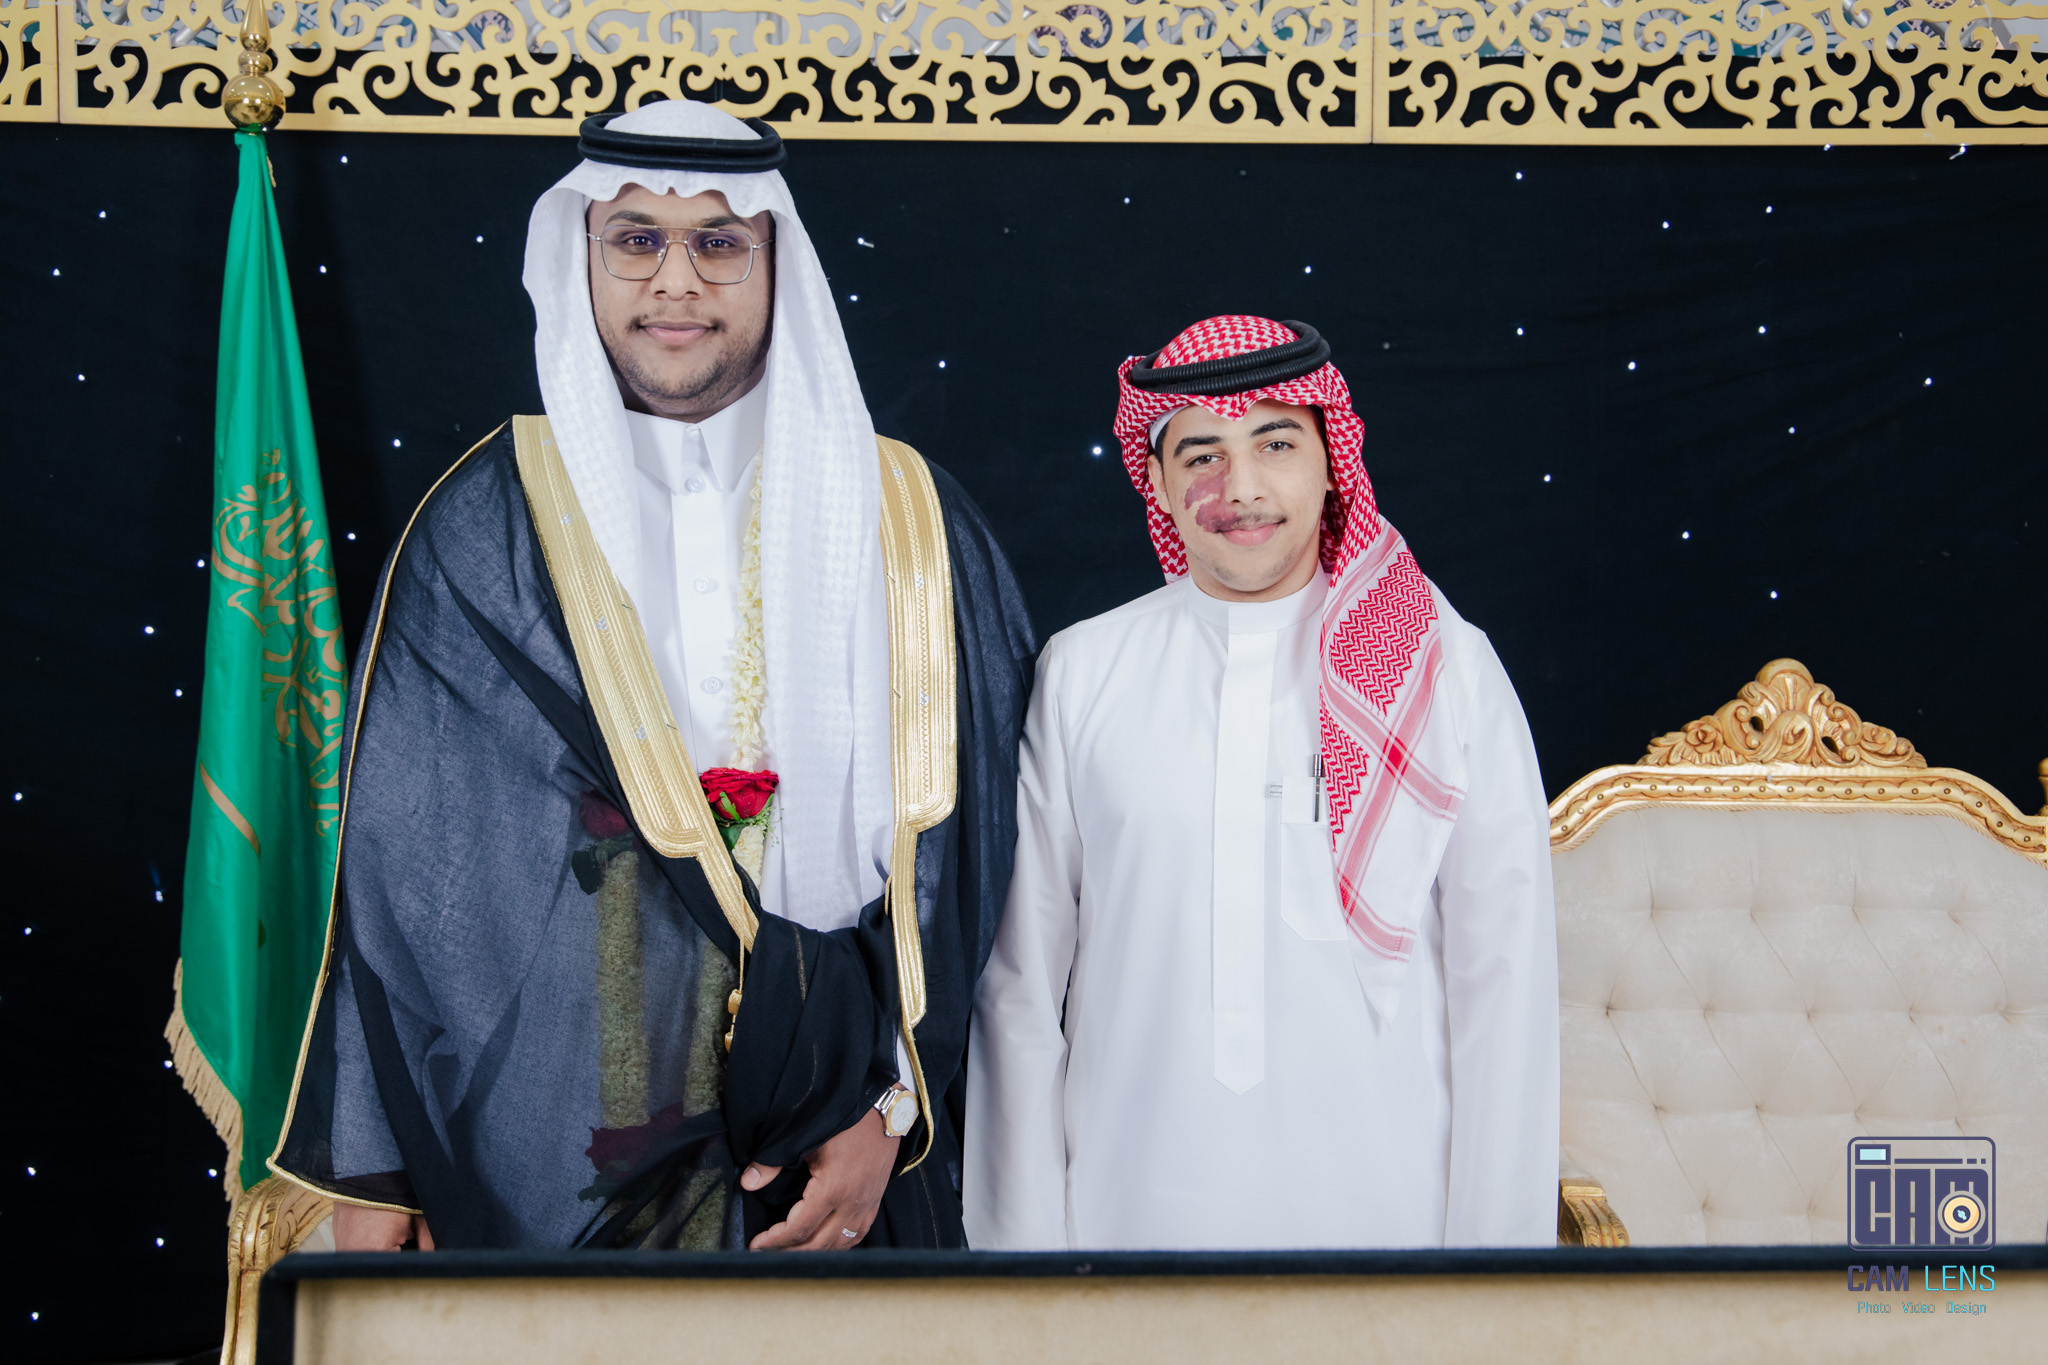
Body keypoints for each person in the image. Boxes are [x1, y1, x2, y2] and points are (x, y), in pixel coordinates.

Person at [270, 101, 1034, 1253]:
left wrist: (891, 1105)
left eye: (718, 242)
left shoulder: (908, 519)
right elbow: (402, 886)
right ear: (581, 256)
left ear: (775, 263)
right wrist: (379, 1180)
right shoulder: (488, 523)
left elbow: (974, 857)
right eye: (635, 240)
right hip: (567, 1144)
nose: (675, 281)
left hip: (841, 1136)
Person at [964, 316, 1558, 1250]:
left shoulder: (1444, 669)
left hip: (1397, 1236)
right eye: (1201, 454)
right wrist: (1023, 1266)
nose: (1239, 487)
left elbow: (1505, 987)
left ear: (1331, 461)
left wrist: (1493, 1275)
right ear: (1157, 481)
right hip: (1122, 1231)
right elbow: (1019, 992)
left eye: (1275, 444)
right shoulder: (1084, 672)